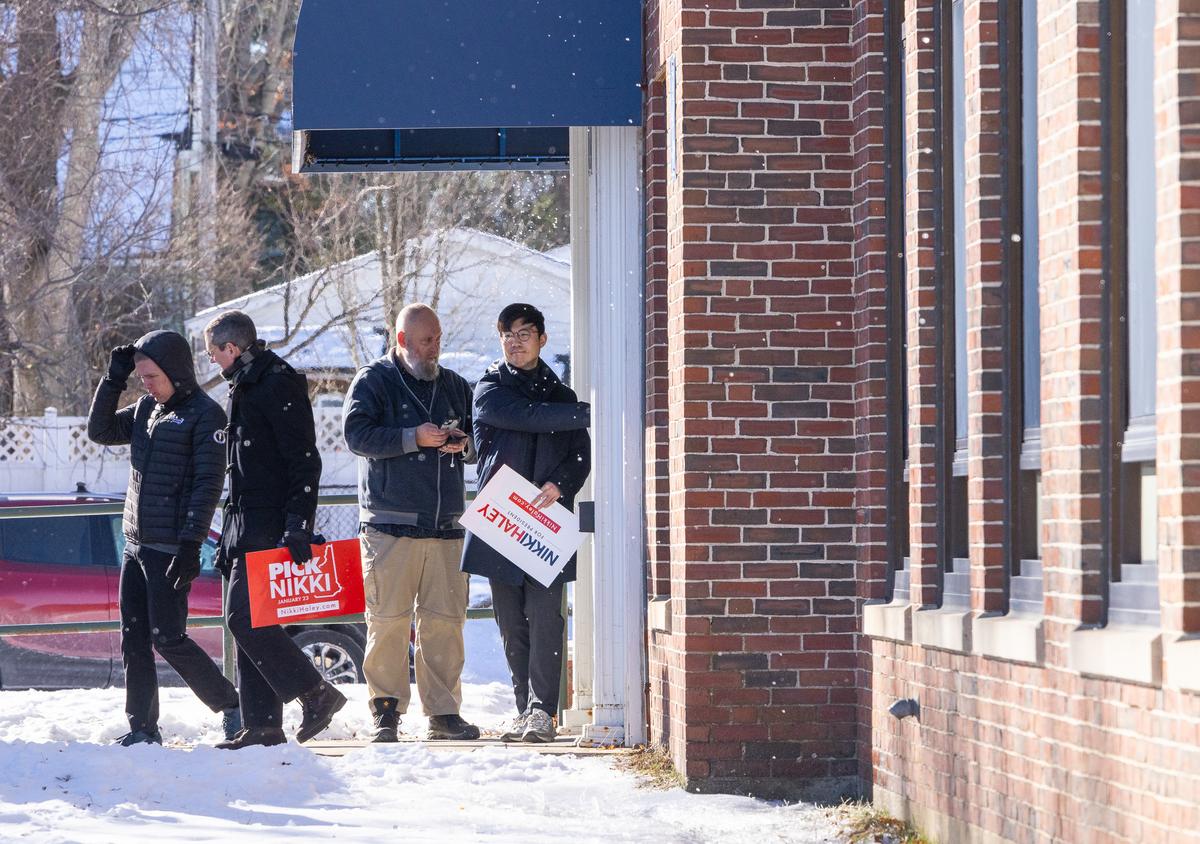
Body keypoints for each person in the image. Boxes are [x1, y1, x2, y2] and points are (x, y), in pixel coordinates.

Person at [87, 330, 241, 746]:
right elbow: (99, 431)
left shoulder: (206, 416)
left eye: (151, 376)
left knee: (168, 637)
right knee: (133, 636)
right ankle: (142, 727)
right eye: (141, 378)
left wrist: (191, 546)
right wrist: (113, 379)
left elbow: (207, 486)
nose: (147, 385)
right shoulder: (144, 410)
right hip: (135, 542)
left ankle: (230, 705)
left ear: (175, 372)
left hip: (170, 548)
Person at [203, 310, 347, 749]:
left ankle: (317, 692)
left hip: (267, 522)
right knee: (251, 620)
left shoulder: (276, 382)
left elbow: (304, 459)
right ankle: (263, 724)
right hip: (244, 523)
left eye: (214, 354)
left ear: (232, 349)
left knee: (243, 619)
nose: (214, 363)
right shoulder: (247, 382)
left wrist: (298, 524)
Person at [342, 303, 480, 742]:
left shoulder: (456, 386)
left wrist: (466, 447)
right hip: (390, 526)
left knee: (445, 622)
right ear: (401, 340)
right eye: (426, 340)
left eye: (438, 338)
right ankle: (386, 711)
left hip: (445, 524)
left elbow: (483, 442)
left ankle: (443, 712)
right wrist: (411, 438)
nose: (435, 347)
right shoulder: (374, 380)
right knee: (387, 621)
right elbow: (356, 435)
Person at [461, 303, 591, 743]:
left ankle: (541, 711)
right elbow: (527, 416)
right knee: (511, 620)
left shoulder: (563, 397)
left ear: (542, 340)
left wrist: (561, 483)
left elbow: (580, 456)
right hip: (502, 522)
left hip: (546, 524)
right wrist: (591, 410)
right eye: (507, 334)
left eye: (524, 333)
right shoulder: (489, 390)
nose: (515, 342)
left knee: (546, 616)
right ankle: (523, 708)